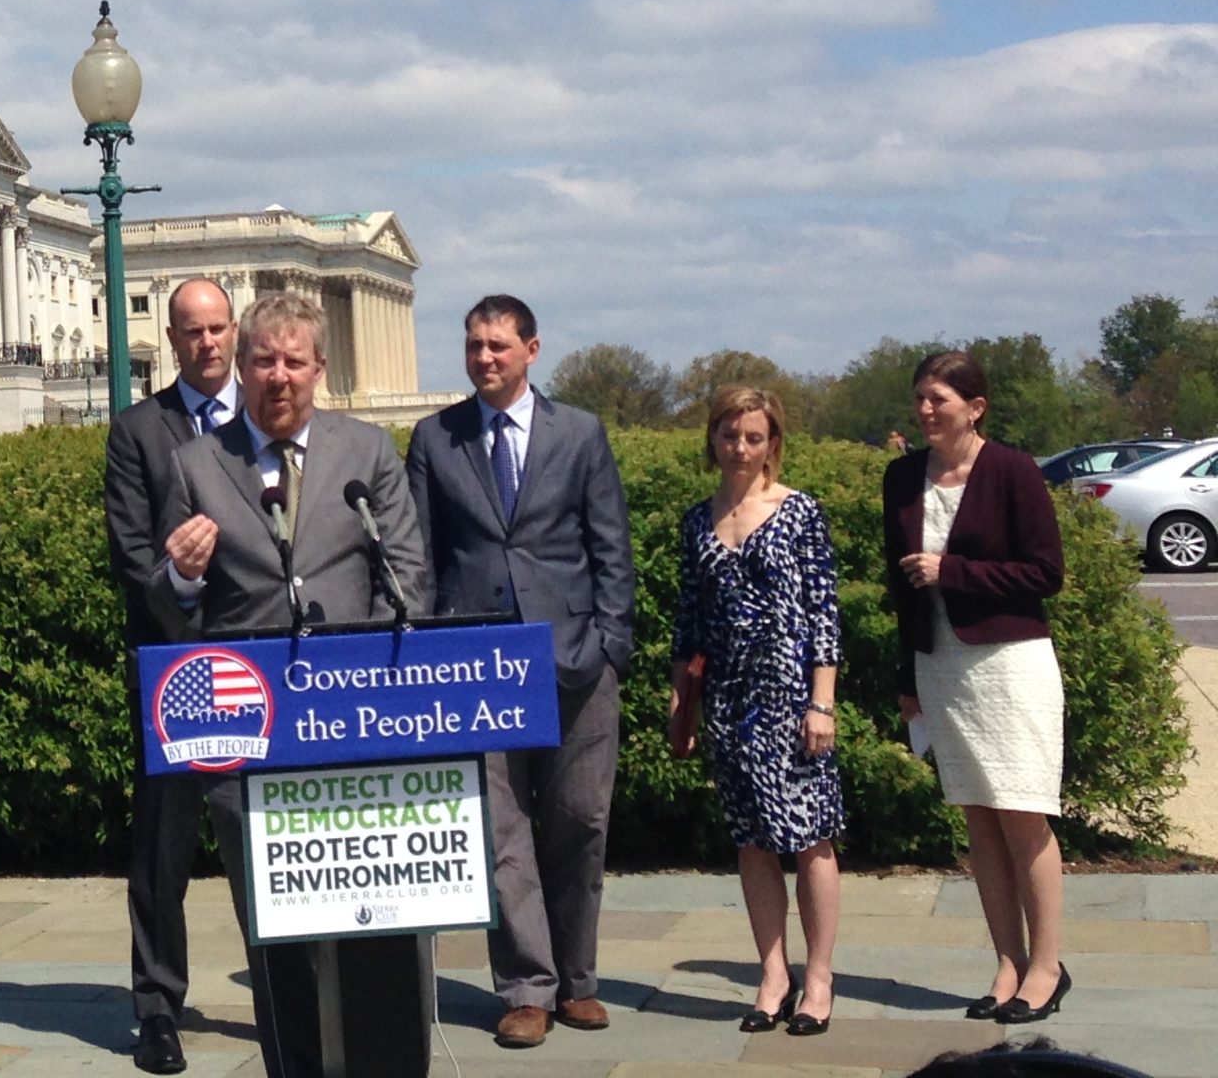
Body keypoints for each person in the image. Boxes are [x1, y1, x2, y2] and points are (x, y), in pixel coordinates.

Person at [151, 292, 432, 1078]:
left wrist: (370, 686)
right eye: (264, 361)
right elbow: (172, 603)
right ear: (241, 368)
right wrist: (180, 572)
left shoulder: (368, 452)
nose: (280, 376)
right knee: (276, 936)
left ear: (320, 369)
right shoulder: (198, 463)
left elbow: (404, 575)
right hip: (252, 743)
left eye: (294, 362)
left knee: (368, 929)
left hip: (359, 735)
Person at [406, 295, 636, 1050]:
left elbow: (611, 547)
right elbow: (423, 558)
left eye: (498, 346)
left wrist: (610, 645)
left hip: (573, 658)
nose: (484, 358)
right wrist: (437, 651)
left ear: (532, 349)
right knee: (502, 832)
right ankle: (527, 989)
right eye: (474, 346)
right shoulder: (435, 439)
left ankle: (579, 981)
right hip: (476, 666)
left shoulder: (580, 433)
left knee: (579, 822)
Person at [882, 348, 1071, 1026]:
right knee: (978, 821)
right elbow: (900, 589)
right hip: (943, 668)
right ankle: (1006, 963)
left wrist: (952, 571)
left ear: (976, 406)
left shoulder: (1014, 472)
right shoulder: (902, 476)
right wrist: (908, 677)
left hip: (1011, 664)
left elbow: (1045, 573)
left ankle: (1047, 967)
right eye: (921, 398)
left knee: (1022, 814)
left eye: (940, 399)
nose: (927, 410)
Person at [669, 386, 843, 1037]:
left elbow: (824, 613)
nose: (740, 447)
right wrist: (679, 708)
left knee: (811, 839)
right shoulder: (696, 521)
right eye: (729, 435)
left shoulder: (799, 512)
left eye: (753, 436)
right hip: (729, 705)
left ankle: (818, 978)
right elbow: (688, 628)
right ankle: (773, 974)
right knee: (751, 840)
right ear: (712, 438)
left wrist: (821, 703)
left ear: (773, 442)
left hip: (792, 702)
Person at [102, 278, 238, 1074]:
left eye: (219, 328)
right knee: (163, 846)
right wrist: (180, 582)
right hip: (174, 662)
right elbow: (131, 551)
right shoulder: (137, 430)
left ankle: (285, 987)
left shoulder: (263, 419)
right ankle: (157, 1006)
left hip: (259, 659)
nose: (208, 342)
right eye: (193, 331)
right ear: (173, 337)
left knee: (261, 834)